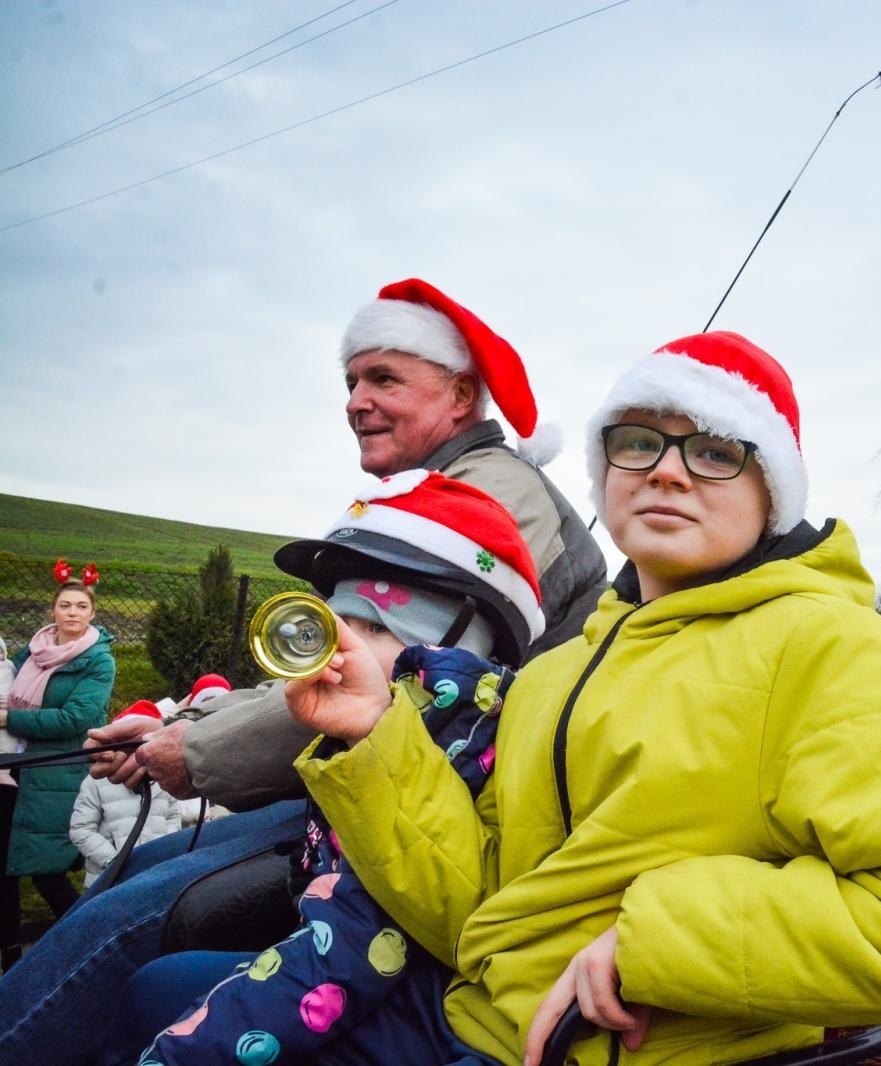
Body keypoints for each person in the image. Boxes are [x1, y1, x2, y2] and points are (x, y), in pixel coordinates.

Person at [286, 332, 881, 1064]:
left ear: (772, 492)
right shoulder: (553, 673)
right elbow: (483, 916)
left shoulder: (825, 645)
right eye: (637, 443)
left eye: (715, 451)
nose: (667, 470)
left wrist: (656, 944)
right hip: (468, 1024)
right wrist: (374, 732)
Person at [0, 280, 607, 1061]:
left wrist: (194, 752)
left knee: (124, 923)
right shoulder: (427, 495)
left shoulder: (489, 497)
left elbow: (376, 685)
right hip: (377, 783)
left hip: (441, 804)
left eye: (384, 378)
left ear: (461, 395)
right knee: (140, 873)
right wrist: (179, 724)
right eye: (351, 381)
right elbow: (323, 659)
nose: (356, 401)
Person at [106, 472, 542, 1065]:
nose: (342, 649)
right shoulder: (393, 721)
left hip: (409, 998)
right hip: (350, 962)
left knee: (146, 978)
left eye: (377, 627)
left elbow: (349, 951)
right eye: (334, 624)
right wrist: (180, 721)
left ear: (458, 648)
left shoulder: (455, 751)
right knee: (153, 986)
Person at [1, 568, 115, 969]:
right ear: (53, 610)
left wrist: (9, 719)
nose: (72, 612)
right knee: (5, 869)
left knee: (46, 869)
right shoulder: (30, 653)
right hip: (12, 769)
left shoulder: (98, 662)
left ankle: (91, 945)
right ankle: (10, 959)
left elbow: (74, 719)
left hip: (56, 773)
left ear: (92, 613)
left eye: (81, 606)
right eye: (65, 605)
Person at [69, 702, 185, 889]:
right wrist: (114, 861)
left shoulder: (163, 778)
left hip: (157, 874)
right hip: (110, 881)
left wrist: (166, 850)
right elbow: (81, 829)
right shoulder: (96, 782)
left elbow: (172, 816)